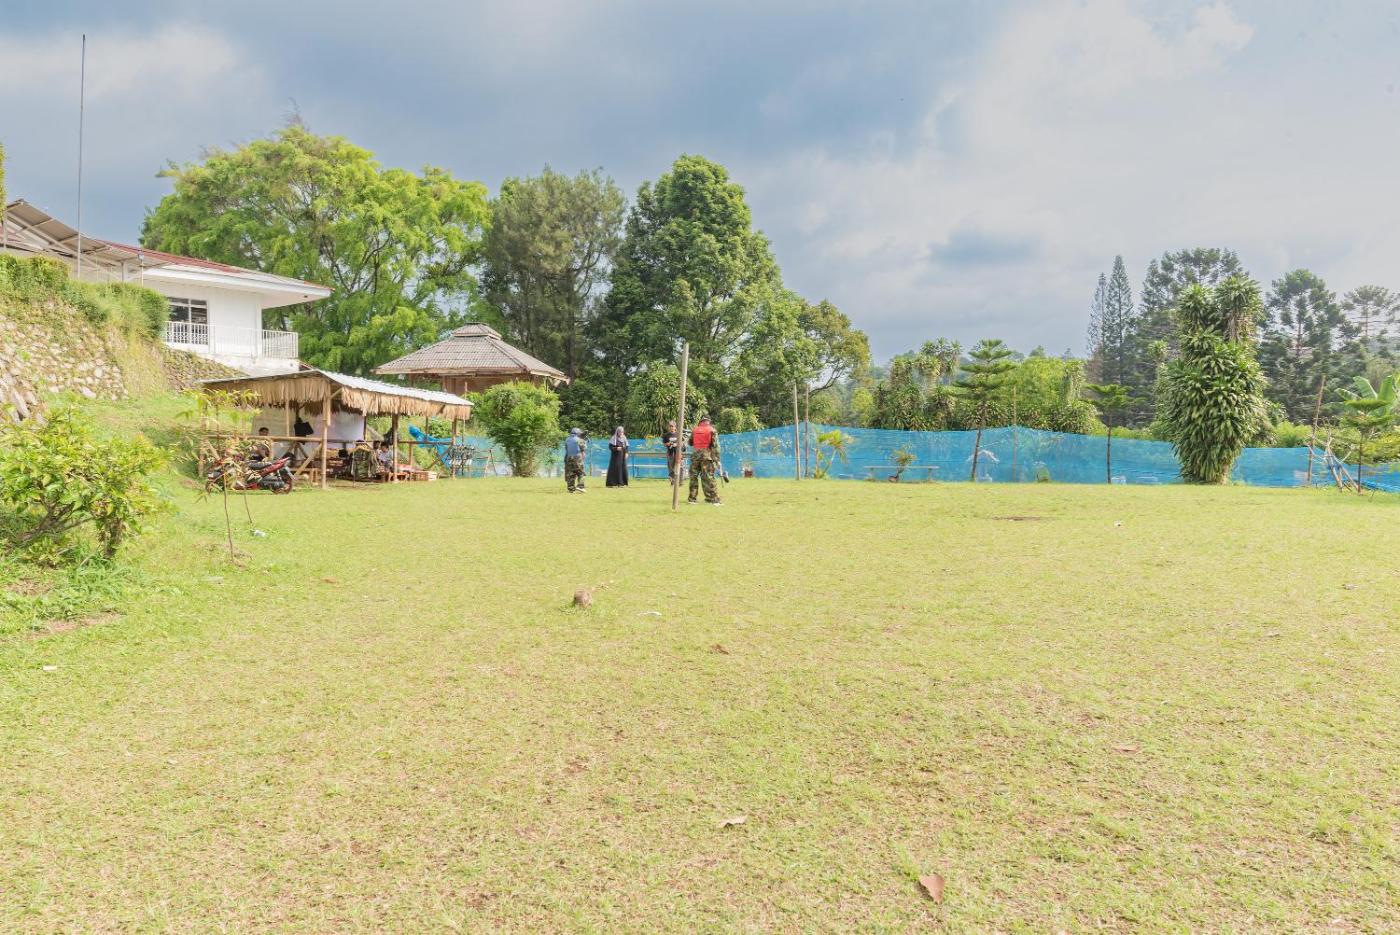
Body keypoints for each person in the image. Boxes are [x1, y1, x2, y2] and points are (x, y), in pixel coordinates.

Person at [687, 414, 723, 505]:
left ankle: (692, 499)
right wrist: (717, 460)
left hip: (695, 456)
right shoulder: (712, 430)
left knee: (693, 477)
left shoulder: (695, 430)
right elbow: (716, 446)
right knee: (708, 477)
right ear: (709, 421)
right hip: (707, 457)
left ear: (701, 421)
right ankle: (713, 499)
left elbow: (690, 442)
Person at [564, 427, 587, 493]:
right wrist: (584, 441)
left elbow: (566, 449)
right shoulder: (579, 439)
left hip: (569, 457)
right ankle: (580, 486)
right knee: (581, 472)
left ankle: (571, 489)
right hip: (577, 457)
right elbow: (583, 448)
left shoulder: (567, 439)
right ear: (577, 433)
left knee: (571, 473)